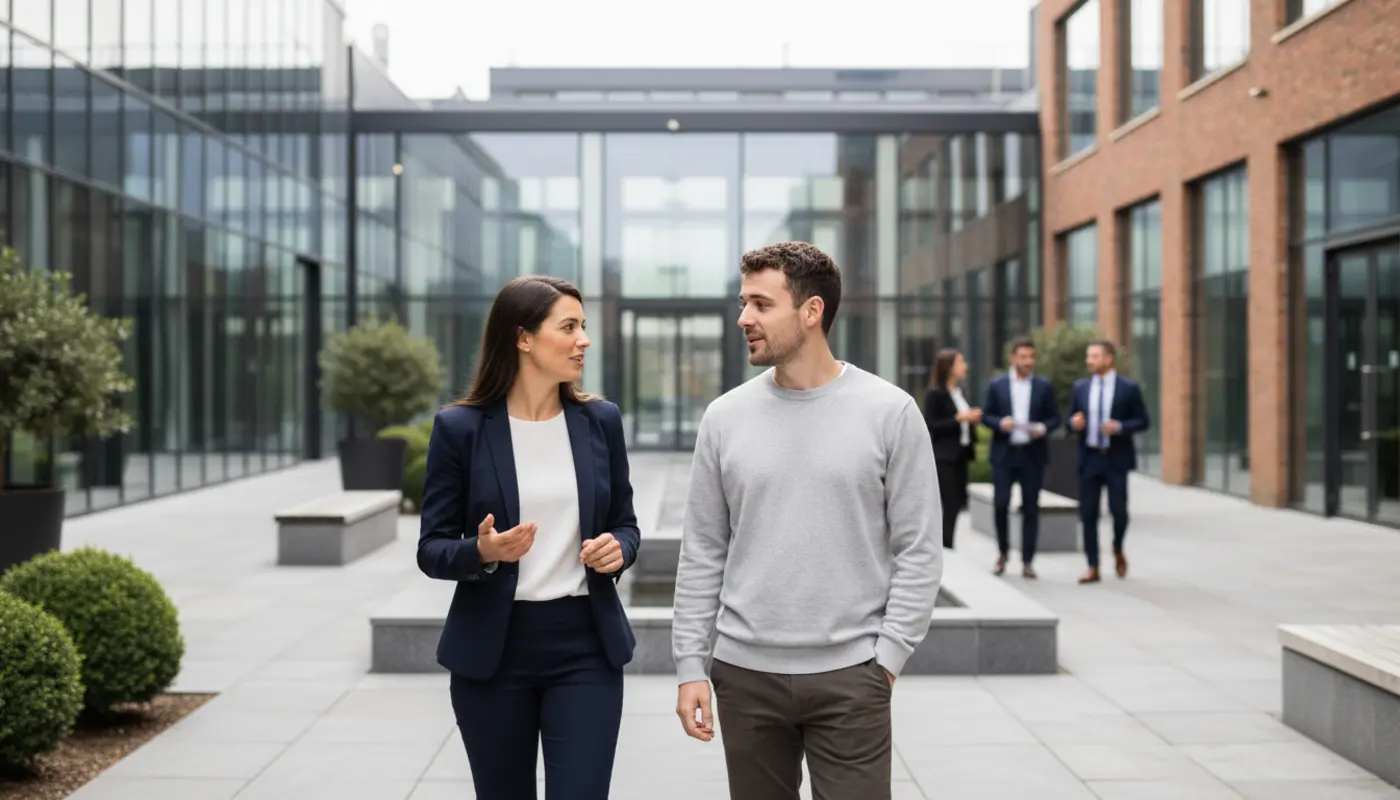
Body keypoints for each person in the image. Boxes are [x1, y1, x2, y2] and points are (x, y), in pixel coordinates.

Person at [671, 242, 942, 800]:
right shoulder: (724, 418)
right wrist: (691, 664)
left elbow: (919, 547)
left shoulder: (890, 412)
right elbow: (702, 550)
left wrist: (887, 659)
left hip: (853, 675)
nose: (744, 318)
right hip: (744, 674)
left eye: (761, 304)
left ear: (811, 311)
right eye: (743, 303)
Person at [417, 275, 642, 800]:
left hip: (586, 645)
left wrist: (618, 550)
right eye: (569, 327)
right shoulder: (460, 429)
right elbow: (431, 549)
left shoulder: (600, 421)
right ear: (523, 337)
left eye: (583, 326)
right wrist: (482, 551)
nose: (584, 339)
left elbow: (626, 523)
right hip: (494, 653)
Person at [1067, 339, 1150, 584]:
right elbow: (1070, 420)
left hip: (1116, 458)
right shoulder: (1081, 387)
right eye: (1088, 356)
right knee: (1088, 514)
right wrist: (1074, 423)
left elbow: (1143, 421)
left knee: (1119, 512)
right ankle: (1092, 566)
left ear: (1108, 358)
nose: (1089, 361)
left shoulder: (1128, 388)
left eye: (1094, 356)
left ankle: (1117, 547)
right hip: (1090, 457)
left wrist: (1120, 426)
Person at [979, 336, 1061, 579]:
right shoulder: (998, 385)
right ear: (1012, 358)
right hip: (1005, 454)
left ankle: (1028, 561)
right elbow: (986, 416)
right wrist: (1000, 423)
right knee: (1001, 504)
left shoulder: (1043, 386)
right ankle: (1003, 553)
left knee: (1031, 508)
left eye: (1031, 357)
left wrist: (1042, 428)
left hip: (1032, 454)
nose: (1028, 361)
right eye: (1023, 357)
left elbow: (1055, 418)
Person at [924, 348, 980, 549]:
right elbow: (931, 424)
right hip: (944, 456)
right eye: (960, 362)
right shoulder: (935, 394)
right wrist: (959, 418)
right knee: (948, 501)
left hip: (961, 455)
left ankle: (947, 544)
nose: (965, 366)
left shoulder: (959, 392)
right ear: (949, 367)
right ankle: (943, 546)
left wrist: (971, 419)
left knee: (957, 503)